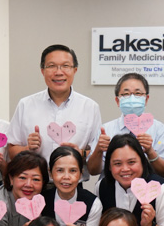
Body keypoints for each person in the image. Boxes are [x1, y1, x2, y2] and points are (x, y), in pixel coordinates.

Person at [8, 44, 102, 177]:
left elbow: (95, 162)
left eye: (65, 66)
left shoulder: (90, 107)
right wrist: (27, 149)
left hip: (73, 185)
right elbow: (11, 150)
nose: (58, 72)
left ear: (75, 70)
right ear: (42, 71)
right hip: (35, 185)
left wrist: (81, 153)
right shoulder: (26, 104)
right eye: (51, 66)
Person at [88, 72, 164, 178]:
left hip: (148, 186)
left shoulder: (160, 130)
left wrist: (150, 151)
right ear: (117, 100)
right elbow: (92, 171)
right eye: (126, 94)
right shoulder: (106, 130)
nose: (132, 98)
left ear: (146, 99)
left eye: (138, 93)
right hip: (112, 185)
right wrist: (98, 150)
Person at [41, 146, 102, 226]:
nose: (66, 176)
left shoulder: (92, 203)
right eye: (60, 170)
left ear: (81, 174)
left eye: (73, 171)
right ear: (50, 172)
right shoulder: (41, 201)